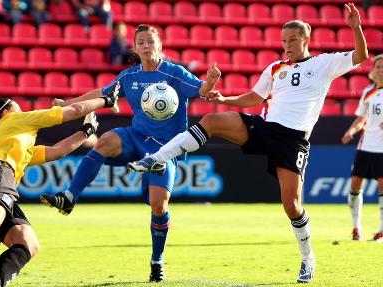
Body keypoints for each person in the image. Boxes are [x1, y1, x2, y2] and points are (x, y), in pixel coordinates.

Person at [128, 4, 368, 283]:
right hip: (264, 127)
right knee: (213, 120)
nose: (286, 45)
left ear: (306, 39)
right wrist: (223, 100)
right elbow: (254, 98)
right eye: (283, 40)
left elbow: (361, 56)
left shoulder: (323, 64)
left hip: (293, 139)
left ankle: (307, 258)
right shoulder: (275, 68)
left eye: (292, 40)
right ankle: (157, 157)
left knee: (291, 206)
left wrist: (355, 27)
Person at [40, 24, 221, 282]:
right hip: (135, 138)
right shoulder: (129, 76)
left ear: (160, 45)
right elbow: (102, 94)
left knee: (159, 206)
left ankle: (157, 261)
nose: (146, 47)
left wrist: (211, 80)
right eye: (141, 43)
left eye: (150, 42)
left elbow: (201, 90)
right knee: (103, 141)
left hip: (165, 148)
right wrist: (67, 103)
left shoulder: (173, 73)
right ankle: (69, 197)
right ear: (135, 48)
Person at [0, 88, 118, 287]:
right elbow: (76, 109)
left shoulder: (15, 137)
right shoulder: (15, 120)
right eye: (15, 104)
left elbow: (57, 151)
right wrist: (106, 100)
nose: (21, 108)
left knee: (27, 242)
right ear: (5, 112)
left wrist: (86, 132)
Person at [342, 54, 383, 242]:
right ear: (373, 70)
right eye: (378, 67)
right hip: (365, 146)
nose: (381, 70)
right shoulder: (368, 92)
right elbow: (361, 119)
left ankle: (381, 230)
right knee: (355, 185)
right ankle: (356, 227)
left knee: (382, 187)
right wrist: (351, 131)